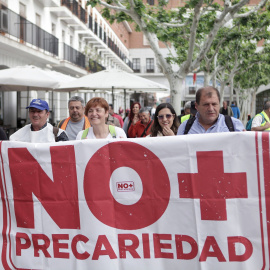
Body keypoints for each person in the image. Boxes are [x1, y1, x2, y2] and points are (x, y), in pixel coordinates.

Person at [177, 86, 245, 135]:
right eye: (206, 104)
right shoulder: (185, 127)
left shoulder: (234, 125)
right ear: (197, 106)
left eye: (214, 104)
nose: (211, 109)